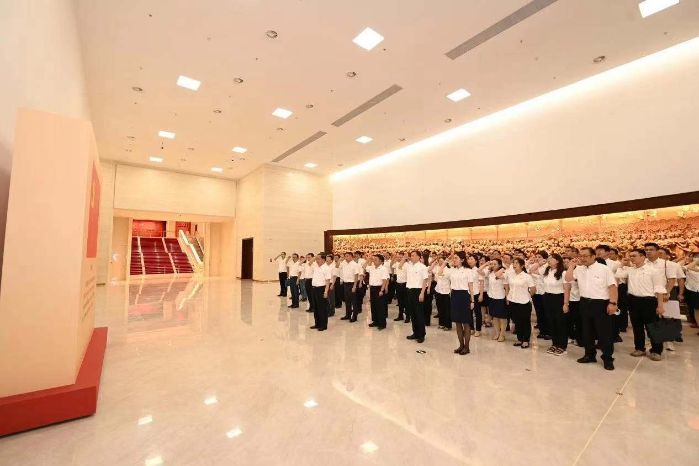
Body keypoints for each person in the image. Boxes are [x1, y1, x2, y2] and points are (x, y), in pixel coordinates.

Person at [566, 247, 618, 371]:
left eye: (585, 256)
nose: (582, 258)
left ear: (593, 256)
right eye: (581, 256)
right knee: (587, 331)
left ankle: (607, 358)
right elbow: (568, 278)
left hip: (601, 303)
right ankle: (589, 355)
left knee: (604, 333)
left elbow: (612, 287)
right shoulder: (579, 269)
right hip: (584, 302)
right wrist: (571, 266)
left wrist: (613, 303)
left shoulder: (604, 269)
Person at [615, 249, 666, 361]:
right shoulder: (630, 270)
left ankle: (656, 350)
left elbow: (659, 289)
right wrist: (622, 264)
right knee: (637, 326)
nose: (631, 258)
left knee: (652, 327)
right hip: (633, 300)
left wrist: (660, 305)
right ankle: (639, 348)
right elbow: (618, 274)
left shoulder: (653, 270)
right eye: (630, 256)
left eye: (634, 256)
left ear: (643, 257)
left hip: (649, 301)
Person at [439, 252, 474, 354]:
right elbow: (440, 273)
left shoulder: (468, 271)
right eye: (453, 258)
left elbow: (471, 287)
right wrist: (446, 261)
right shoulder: (452, 270)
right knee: (458, 322)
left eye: (456, 258)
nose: (454, 260)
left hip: (464, 296)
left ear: (462, 260)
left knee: (466, 322)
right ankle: (461, 345)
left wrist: (472, 300)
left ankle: (467, 347)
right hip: (454, 296)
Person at [505, 258, 536, 349]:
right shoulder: (510, 275)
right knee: (516, 321)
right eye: (513, 263)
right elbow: (507, 286)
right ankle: (519, 338)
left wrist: (527, 295)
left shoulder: (527, 276)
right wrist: (508, 296)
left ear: (522, 266)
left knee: (525, 321)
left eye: (517, 263)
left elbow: (533, 289)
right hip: (513, 300)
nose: (514, 265)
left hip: (524, 301)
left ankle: (525, 340)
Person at [542, 253, 567, 355]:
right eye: (548, 258)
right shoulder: (547, 271)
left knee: (560, 322)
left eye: (551, 259)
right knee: (551, 321)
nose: (549, 260)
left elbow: (566, 289)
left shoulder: (563, 273)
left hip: (559, 298)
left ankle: (562, 346)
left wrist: (566, 303)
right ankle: (554, 343)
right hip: (547, 297)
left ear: (557, 261)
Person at [405, 250, 429, 343]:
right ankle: (415, 333)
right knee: (413, 313)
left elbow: (425, 280)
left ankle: (421, 334)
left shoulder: (422, 267)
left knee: (419, 313)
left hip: (418, 291)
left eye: (414, 255)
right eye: (411, 255)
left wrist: (422, 293)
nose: (412, 257)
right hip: (410, 290)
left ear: (419, 257)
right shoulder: (409, 266)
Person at [484, 259, 508, 341]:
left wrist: (507, 298)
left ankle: (502, 334)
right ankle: (497, 333)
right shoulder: (490, 273)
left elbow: (506, 287)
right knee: (494, 316)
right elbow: (479, 271)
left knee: (502, 317)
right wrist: (487, 265)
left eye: (495, 264)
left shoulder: (503, 272)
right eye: (492, 264)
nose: (493, 265)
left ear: (500, 265)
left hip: (501, 297)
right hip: (492, 296)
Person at [563, 256, 582, 347]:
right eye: (565, 262)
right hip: (570, 299)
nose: (567, 263)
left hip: (579, 299)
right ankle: (571, 336)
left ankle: (579, 338)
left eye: (568, 262)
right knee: (569, 319)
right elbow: (566, 286)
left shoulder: (579, 270)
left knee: (578, 320)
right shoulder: (565, 272)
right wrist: (566, 303)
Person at [367, 254, 389, 330]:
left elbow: (385, 280)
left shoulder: (383, 269)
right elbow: (364, 267)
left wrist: (382, 290)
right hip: (372, 288)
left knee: (380, 307)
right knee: (373, 306)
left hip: (379, 288)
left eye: (376, 259)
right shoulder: (372, 268)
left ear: (381, 261)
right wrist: (369, 259)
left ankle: (382, 324)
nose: (374, 261)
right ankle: (375, 321)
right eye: (374, 259)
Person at [310, 253, 331, 331]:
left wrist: (326, 292)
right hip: (314, 289)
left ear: (323, 259)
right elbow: (310, 262)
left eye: (318, 259)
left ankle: (323, 325)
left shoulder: (326, 268)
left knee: (322, 308)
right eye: (316, 259)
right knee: (316, 307)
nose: (316, 260)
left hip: (321, 289)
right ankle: (317, 324)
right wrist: (316, 257)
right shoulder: (316, 266)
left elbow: (327, 281)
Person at [431, 256, 452, 330]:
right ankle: (441, 323)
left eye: (442, 261)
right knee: (440, 308)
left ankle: (447, 325)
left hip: (446, 291)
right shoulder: (437, 269)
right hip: (438, 290)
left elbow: (450, 281)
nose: (440, 262)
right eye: (439, 261)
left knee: (446, 309)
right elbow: (434, 275)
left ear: (445, 262)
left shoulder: (449, 270)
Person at [467, 255, 485, 337]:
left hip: (476, 293)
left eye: (471, 259)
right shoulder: (466, 270)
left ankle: (478, 329)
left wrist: (481, 295)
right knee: (469, 312)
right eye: (468, 259)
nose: (469, 261)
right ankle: (471, 328)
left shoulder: (478, 270)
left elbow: (481, 283)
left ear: (476, 261)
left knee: (477, 313)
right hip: (468, 293)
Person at [339, 252, 360, 322]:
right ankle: (348, 315)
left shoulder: (355, 264)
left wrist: (354, 286)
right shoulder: (344, 263)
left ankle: (354, 316)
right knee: (347, 300)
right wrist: (340, 259)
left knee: (353, 301)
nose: (346, 257)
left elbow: (356, 276)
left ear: (351, 256)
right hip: (346, 284)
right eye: (345, 256)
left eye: (347, 256)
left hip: (352, 284)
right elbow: (337, 266)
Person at [683, 253, 699, 332]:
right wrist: (695, 261)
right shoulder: (689, 266)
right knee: (696, 309)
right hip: (693, 290)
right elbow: (686, 267)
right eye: (695, 257)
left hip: (696, 290)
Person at [393, 253, 409, 322]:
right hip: (398, 284)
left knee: (406, 301)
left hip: (405, 285)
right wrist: (394, 257)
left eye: (400, 257)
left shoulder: (407, 265)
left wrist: (405, 258)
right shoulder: (397, 264)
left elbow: (400, 266)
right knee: (400, 301)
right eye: (398, 257)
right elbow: (392, 265)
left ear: (404, 258)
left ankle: (408, 316)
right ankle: (400, 316)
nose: (399, 258)